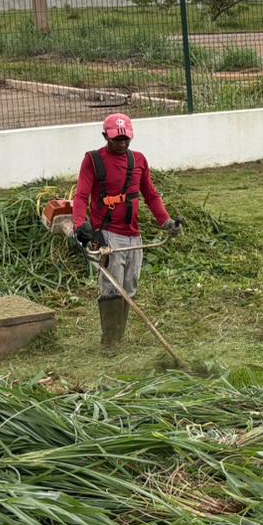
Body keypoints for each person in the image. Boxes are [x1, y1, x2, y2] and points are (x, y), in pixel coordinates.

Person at [73, 113, 183, 348]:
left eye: (126, 139)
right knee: (112, 288)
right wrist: (80, 224)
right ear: (105, 136)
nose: (122, 143)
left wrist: (166, 222)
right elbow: (81, 195)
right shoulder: (93, 160)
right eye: (117, 139)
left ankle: (118, 337)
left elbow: (151, 195)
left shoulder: (139, 160)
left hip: (134, 236)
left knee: (129, 287)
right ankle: (110, 343)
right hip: (107, 234)